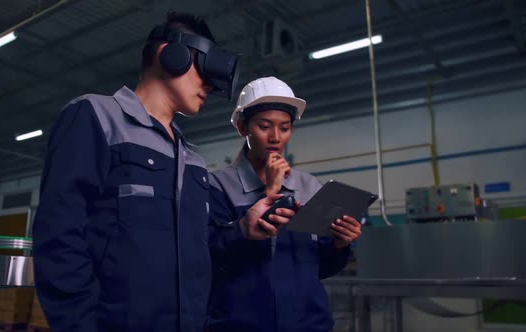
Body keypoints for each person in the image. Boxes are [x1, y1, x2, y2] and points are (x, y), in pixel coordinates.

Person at [32, 12, 239, 332]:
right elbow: (59, 238)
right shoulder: (96, 117)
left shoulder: (194, 161)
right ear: (170, 53)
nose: (210, 85)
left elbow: (201, 257)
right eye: (204, 67)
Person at [206, 76, 363, 332]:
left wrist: (340, 244)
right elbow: (210, 257)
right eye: (264, 126)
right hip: (239, 324)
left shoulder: (310, 186)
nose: (275, 137)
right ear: (242, 128)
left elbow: (320, 267)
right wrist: (271, 191)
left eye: (285, 127)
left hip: (309, 325)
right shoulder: (216, 186)